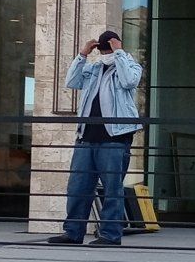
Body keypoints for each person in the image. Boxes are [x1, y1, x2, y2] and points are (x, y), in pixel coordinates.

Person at [47, 29, 142, 246]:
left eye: (108, 47)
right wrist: (82, 55)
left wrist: (119, 53)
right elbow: (72, 81)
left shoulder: (129, 65)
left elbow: (129, 82)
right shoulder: (94, 67)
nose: (105, 51)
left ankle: (110, 235)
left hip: (115, 137)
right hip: (86, 136)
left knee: (112, 189)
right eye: (103, 48)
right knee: (78, 187)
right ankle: (73, 232)